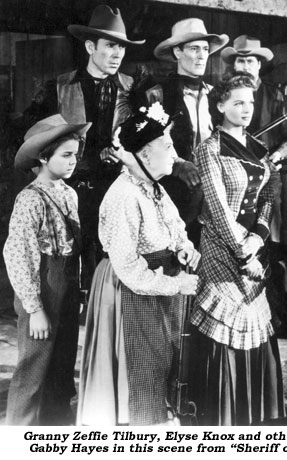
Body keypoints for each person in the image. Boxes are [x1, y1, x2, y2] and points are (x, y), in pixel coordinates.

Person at [77, 102, 200, 426]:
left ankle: (156, 420)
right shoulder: (123, 196)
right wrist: (176, 283)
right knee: (141, 363)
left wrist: (183, 249)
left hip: (157, 285)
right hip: (128, 288)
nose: (174, 153)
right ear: (144, 155)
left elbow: (175, 228)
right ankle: (138, 428)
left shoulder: (154, 188)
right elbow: (128, 266)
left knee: (162, 360)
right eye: (168, 146)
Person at [188, 72, 285, 426]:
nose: (246, 109)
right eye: (238, 102)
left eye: (251, 103)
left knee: (254, 323)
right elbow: (216, 204)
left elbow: (268, 199)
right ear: (221, 106)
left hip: (253, 249)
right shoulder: (208, 149)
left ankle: (248, 415)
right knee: (223, 323)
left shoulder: (258, 150)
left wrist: (258, 239)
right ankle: (218, 416)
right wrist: (244, 252)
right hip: (218, 248)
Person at [40, 5, 145, 291]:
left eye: (121, 48)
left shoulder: (133, 90)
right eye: (110, 46)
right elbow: (35, 139)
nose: (117, 54)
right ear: (90, 46)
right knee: (67, 268)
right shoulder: (60, 87)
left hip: (117, 192)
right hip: (71, 193)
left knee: (111, 263)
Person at [3, 115, 90, 425]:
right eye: (65, 154)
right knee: (33, 370)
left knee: (61, 370)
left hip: (66, 287)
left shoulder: (69, 193)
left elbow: (74, 249)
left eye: (75, 154)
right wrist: (35, 307)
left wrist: (77, 289)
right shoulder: (29, 199)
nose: (73, 161)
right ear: (43, 157)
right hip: (42, 287)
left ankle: (55, 433)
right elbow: (17, 254)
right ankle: (17, 438)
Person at [145, 18, 229, 244]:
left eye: (205, 49)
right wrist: (178, 164)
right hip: (171, 193)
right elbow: (147, 144)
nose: (202, 55)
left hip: (210, 194)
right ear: (177, 52)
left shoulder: (215, 95)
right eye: (194, 49)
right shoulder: (157, 95)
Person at [221, 35, 287, 243]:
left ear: (259, 65)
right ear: (234, 64)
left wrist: (278, 154)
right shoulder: (220, 96)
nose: (245, 66)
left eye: (250, 61)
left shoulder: (276, 96)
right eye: (240, 61)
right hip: (231, 174)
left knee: (270, 232)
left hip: (267, 173)